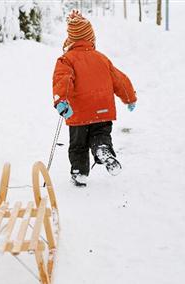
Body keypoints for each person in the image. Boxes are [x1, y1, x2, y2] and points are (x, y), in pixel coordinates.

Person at [52, 10, 137, 187]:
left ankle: (79, 173)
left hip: (79, 114)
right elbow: (119, 79)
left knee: (78, 145)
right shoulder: (102, 59)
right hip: (103, 110)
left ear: (71, 40)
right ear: (91, 38)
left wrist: (62, 100)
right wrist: (129, 97)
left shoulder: (66, 60)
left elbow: (63, 80)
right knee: (100, 134)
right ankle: (102, 149)